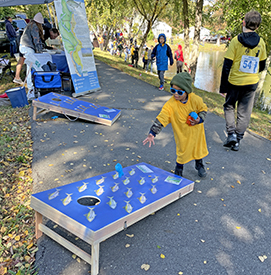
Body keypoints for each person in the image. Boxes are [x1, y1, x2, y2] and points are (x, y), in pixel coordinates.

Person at [143, 72, 208, 177]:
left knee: (198, 150)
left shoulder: (195, 100)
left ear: (186, 91)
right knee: (182, 152)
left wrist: (199, 119)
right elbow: (162, 118)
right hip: (182, 134)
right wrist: (152, 132)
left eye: (179, 92)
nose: (176, 94)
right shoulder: (171, 104)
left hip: (197, 133)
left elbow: (203, 109)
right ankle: (179, 169)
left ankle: (199, 165)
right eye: (173, 91)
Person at [219, 10, 267, 151]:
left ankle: (231, 134)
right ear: (257, 27)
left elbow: (227, 65)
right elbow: (262, 65)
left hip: (235, 82)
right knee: (244, 112)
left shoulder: (235, 41)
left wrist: (223, 87)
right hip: (251, 83)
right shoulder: (261, 43)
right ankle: (238, 140)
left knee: (229, 106)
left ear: (244, 22)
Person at [17, 12, 44, 100]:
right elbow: (36, 40)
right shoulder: (35, 27)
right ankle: (31, 89)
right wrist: (39, 51)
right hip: (28, 48)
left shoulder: (29, 25)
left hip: (23, 46)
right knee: (30, 67)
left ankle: (31, 88)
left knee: (29, 67)